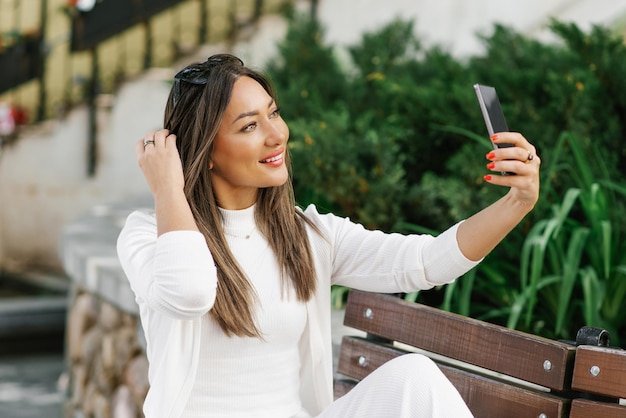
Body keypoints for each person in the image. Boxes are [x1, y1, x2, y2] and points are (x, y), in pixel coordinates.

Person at [116, 53, 540, 418]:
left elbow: (425, 263)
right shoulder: (150, 236)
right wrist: (169, 189)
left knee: (415, 377)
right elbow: (188, 292)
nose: (276, 134)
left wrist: (515, 204)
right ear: (204, 151)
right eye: (249, 126)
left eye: (274, 113)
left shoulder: (305, 236)